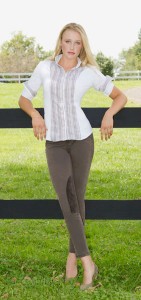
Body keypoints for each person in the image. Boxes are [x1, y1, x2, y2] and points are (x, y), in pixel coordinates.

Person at [18, 22, 127, 290]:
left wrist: (109, 113)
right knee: (68, 202)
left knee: (76, 201)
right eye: (68, 41)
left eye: (77, 43)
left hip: (82, 140)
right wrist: (34, 115)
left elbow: (119, 96)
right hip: (55, 143)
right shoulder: (45, 67)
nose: (72, 48)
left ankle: (71, 261)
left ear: (82, 46)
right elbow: (24, 98)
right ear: (60, 42)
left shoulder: (88, 72)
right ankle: (88, 263)